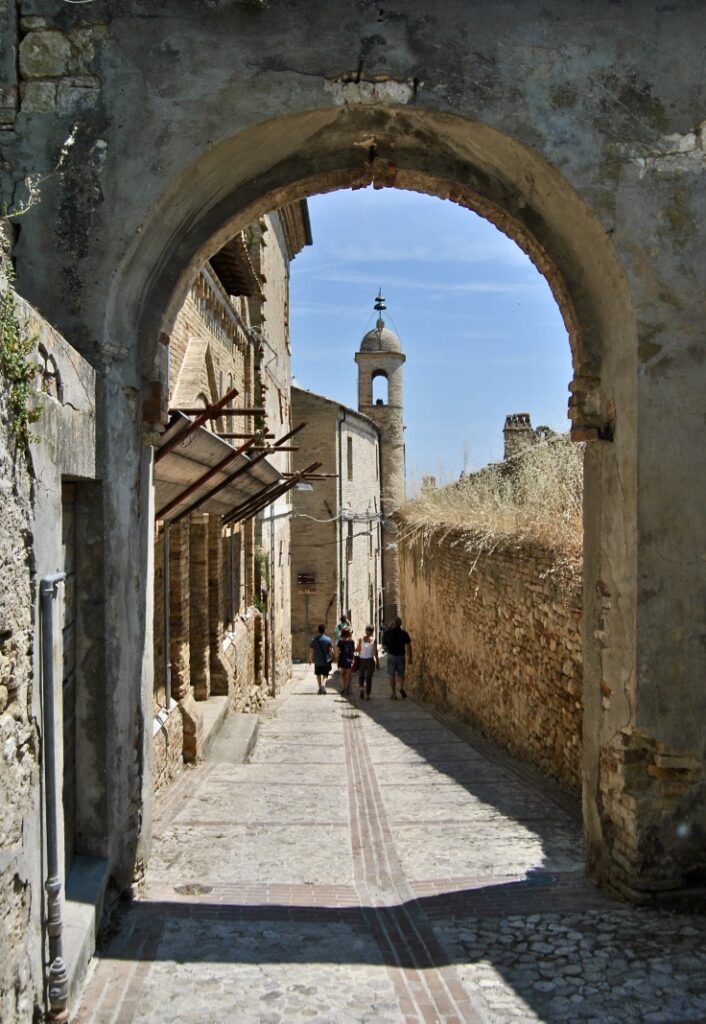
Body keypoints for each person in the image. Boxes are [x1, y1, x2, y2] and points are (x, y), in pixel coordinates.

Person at [382, 616, 413, 699]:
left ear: (394, 624)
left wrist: (389, 626)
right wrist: (410, 657)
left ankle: (394, 693)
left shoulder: (388, 633)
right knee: (401, 674)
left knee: (391, 675)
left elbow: (384, 644)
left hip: (391, 656)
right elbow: (409, 645)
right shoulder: (404, 633)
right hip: (401, 656)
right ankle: (401, 687)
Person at [308, 624, 334, 695]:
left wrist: (310, 659)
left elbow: (311, 650)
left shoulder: (314, 640)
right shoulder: (328, 639)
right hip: (326, 660)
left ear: (318, 630)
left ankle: (320, 688)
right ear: (324, 630)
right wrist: (332, 658)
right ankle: (323, 684)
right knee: (325, 675)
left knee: (318, 674)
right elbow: (331, 651)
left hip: (317, 661)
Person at [355, 625, 379, 700]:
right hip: (370, 660)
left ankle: (362, 689)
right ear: (372, 632)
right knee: (369, 678)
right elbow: (375, 652)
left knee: (361, 676)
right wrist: (378, 662)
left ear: (366, 631)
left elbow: (357, 650)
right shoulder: (374, 640)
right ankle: (367, 695)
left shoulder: (361, 639)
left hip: (362, 660)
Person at [336, 626, 356, 697]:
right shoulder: (352, 642)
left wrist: (337, 662)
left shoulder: (340, 642)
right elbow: (353, 652)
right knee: (349, 675)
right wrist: (353, 660)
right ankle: (347, 689)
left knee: (342, 674)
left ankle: (344, 688)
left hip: (342, 660)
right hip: (349, 660)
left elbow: (337, 652)